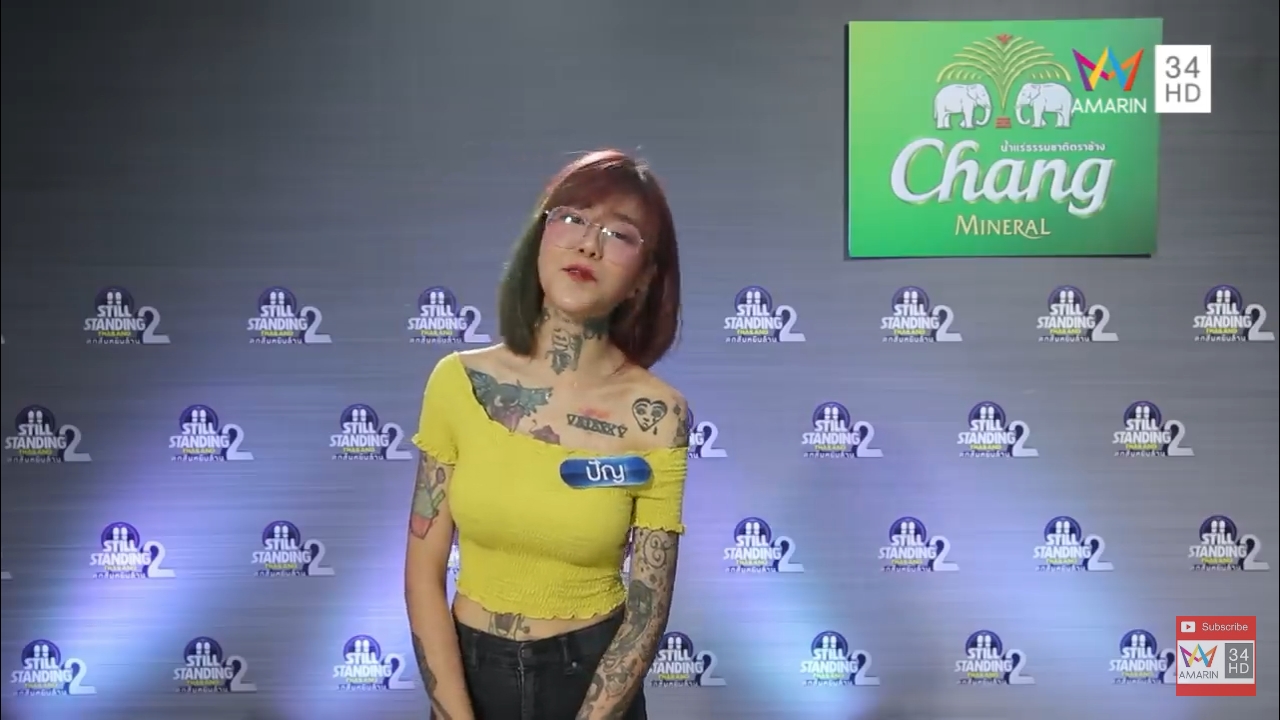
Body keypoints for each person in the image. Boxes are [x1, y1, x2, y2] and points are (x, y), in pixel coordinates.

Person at [404, 149, 688, 720]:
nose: (589, 244)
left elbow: (647, 610)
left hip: (590, 682)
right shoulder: (458, 382)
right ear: (541, 237)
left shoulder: (657, 414)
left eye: (619, 234)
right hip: (468, 677)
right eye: (573, 218)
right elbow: (423, 572)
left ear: (644, 279)